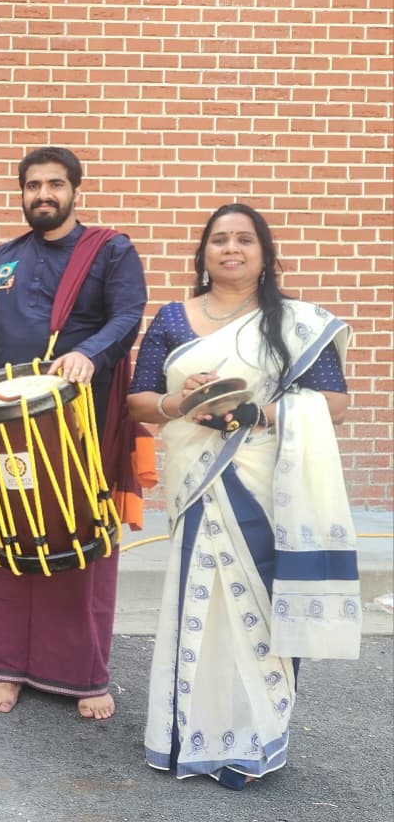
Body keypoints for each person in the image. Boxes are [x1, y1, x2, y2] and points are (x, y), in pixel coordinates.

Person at [126, 204, 357, 790]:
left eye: (244, 239)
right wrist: (184, 402)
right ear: (203, 255)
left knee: (263, 600)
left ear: (265, 254)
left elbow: (333, 404)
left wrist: (254, 411)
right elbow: (139, 400)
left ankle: (255, 739)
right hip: (199, 481)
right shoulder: (172, 319)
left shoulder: (294, 322)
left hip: (269, 483)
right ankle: (189, 737)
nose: (231, 248)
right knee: (199, 602)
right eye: (219, 239)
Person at [0, 146, 147, 719]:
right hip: (8, 424)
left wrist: (89, 352)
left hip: (80, 424)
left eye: (55, 184)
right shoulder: (1, 258)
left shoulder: (109, 250)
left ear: (75, 190)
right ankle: (4, 668)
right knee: (7, 538)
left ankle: (83, 673)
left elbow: (127, 315)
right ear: (22, 193)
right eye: (33, 185)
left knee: (79, 544)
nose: (43, 194)